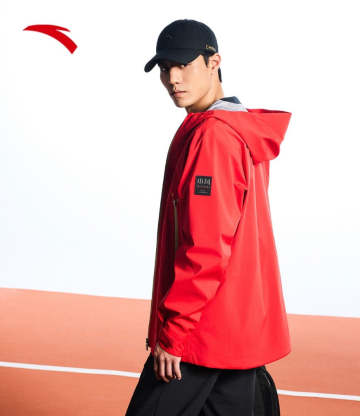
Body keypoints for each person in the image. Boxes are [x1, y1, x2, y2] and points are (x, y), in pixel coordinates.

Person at [125, 18, 292, 416]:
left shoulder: (214, 137)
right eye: (165, 68)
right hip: (235, 329)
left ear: (214, 62)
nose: (173, 79)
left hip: (202, 335)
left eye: (183, 65)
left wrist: (174, 332)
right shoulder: (238, 128)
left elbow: (206, 247)